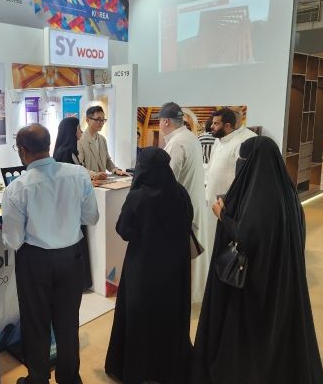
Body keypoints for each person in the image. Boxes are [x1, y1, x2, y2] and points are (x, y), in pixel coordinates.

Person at [192, 136, 323, 384]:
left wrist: (223, 216)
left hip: (255, 282)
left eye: (243, 160)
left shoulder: (259, 197)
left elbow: (247, 237)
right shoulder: (287, 191)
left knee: (253, 334)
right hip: (281, 277)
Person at [2, 124, 99, 384]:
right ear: (49, 144)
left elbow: (13, 240)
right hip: (71, 257)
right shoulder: (78, 174)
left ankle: (38, 378)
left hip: (35, 261)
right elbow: (91, 217)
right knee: (68, 322)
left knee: (36, 322)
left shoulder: (17, 188)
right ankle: (69, 378)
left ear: (22, 151)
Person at [105, 147, 193, 384]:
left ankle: (138, 369)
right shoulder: (180, 192)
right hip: (174, 267)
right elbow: (188, 221)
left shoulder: (138, 197)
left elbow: (124, 230)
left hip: (143, 266)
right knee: (168, 314)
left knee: (139, 316)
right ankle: (166, 369)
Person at [159, 102, 209, 303]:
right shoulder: (190, 137)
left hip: (182, 208)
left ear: (166, 121)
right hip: (194, 202)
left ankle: (182, 297)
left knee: (183, 255)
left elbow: (167, 180)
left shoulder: (176, 144)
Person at [205, 108, 256, 259]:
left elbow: (245, 177)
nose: (212, 126)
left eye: (215, 124)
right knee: (210, 242)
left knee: (226, 250)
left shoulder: (248, 139)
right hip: (212, 199)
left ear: (228, 124)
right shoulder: (219, 138)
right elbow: (211, 166)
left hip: (229, 205)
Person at [53, 116, 93, 290]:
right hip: (69, 206)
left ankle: (82, 281)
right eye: (78, 128)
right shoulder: (64, 153)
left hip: (75, 204)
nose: (81, 131)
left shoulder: (71, 151)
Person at [78, 106, 129, 179]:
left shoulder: (102, 139)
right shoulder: (80, 140)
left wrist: (115, 170)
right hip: (89, 181)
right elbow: (79, 167)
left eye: (103, 120)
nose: (101, 123)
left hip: (102, 181)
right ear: (87, 120)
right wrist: (94, 175)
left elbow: (107, 160)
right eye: (98, 119)